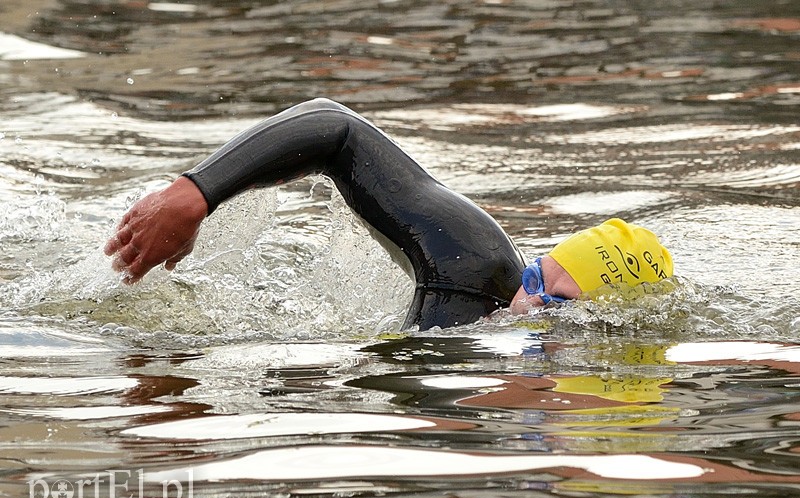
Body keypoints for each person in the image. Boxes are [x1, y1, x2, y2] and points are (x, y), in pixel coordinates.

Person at [104, 98, 673, 331]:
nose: (526, 303)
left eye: (557, 307)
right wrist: (195, 194)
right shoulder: (475, 265)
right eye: (535, 277)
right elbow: (336, 129)